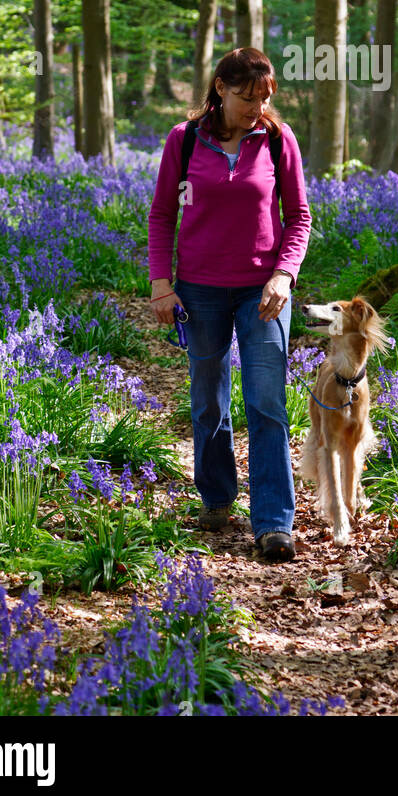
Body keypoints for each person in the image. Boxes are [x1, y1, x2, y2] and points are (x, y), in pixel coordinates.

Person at [148, 47, 312, 563]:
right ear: (220, 88)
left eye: (263, 98)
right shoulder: (184, 139)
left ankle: (272, 521)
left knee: (266, 402)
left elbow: (299, 215)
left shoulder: (278, 140)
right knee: (208, 401)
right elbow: (160, 216)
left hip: (263, 290)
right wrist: (161, 284)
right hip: (198, 289)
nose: (255, 108)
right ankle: (217, 498)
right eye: (246, 97)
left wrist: (284, 274)